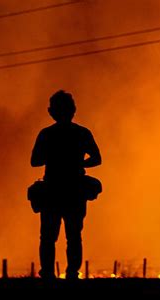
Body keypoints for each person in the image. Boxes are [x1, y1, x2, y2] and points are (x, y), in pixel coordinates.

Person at [31, 90, 102, 280]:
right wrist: (78, 163)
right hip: (74, 190)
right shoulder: (82, 133)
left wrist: (54, 157)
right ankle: (71, 273)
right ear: (73, 110)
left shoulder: (46, 134)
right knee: (73, 235)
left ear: (51, 112)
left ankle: (48, 274)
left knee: (48, 236)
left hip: (53, 189)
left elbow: (35, 161)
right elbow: (96, 159)